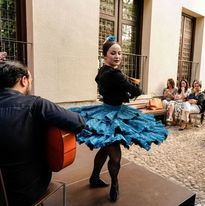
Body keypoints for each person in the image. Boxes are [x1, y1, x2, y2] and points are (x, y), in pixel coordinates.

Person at [70, 36, 168, 202]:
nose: (117, 56)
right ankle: (115, 185)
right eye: (113, 53)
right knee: (115, 156)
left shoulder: (102, 70)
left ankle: (94, 178)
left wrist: (122, 90)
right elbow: (138, 90)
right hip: (111, 115)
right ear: (105, 55)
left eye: (120, 53)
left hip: (109, 110)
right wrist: (128, 89)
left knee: (106, 148)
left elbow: (103, 83)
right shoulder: (115, 74)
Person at [0, 61, 85, 206]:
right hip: (25, 192)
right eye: (30, 80)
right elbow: (78, 123)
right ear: (24, 80)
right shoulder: (36, 104)